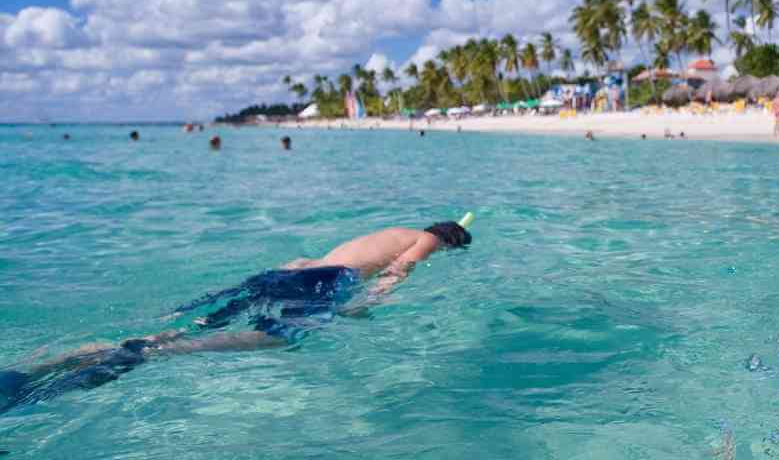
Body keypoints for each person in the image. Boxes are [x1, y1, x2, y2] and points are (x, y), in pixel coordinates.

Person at [0, 221, 473, 411]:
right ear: (448, 238)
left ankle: (47, 364)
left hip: (287, 271)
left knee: (173, 327)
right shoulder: (427, 236)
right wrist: (363, 307)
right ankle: (156, 354)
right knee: (277, 340)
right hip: (324, 281)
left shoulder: (390, 225)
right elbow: (399, 270)